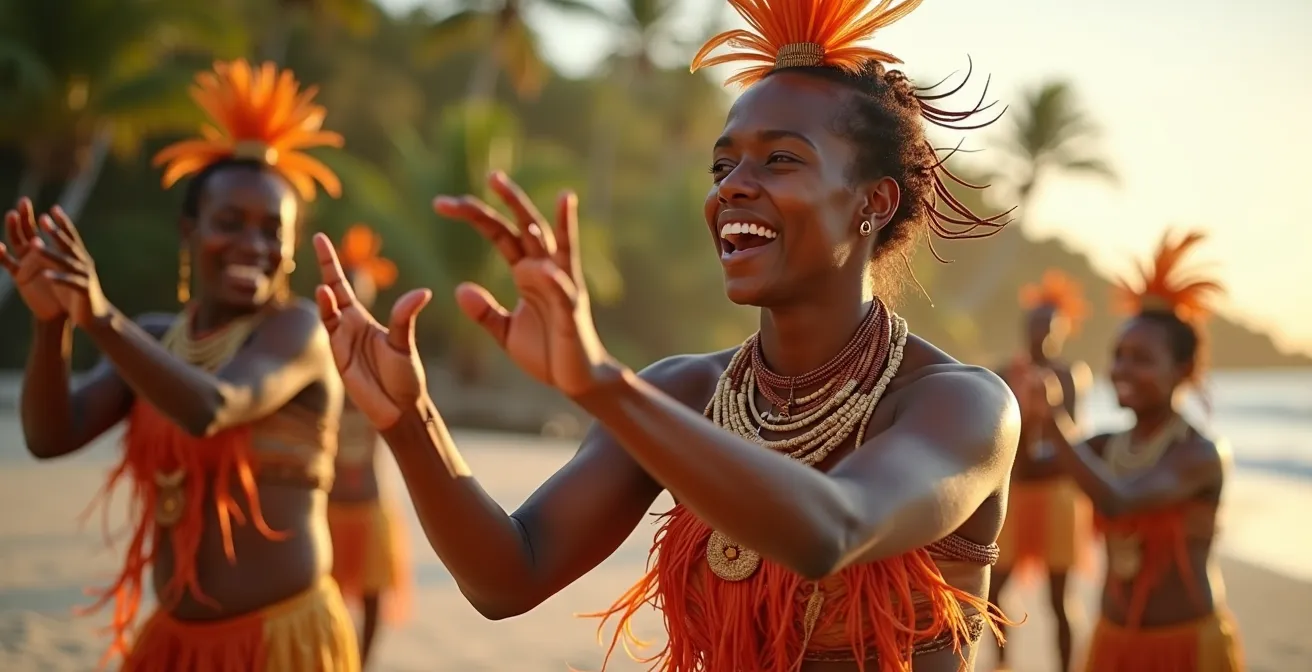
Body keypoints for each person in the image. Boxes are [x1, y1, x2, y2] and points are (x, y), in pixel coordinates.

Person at [312, 0, 1021, 669]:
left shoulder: (959, 407)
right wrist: (410, 422)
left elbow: (831, 530)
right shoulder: (685, 390)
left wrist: (601, 384)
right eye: (723, 165)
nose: (732, 187)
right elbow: (508, 577)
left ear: (872, 202)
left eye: (780, 159)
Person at [0, 59, 359, 671]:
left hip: (281, 643)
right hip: (171, 645)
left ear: (293, 247)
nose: (253, 245)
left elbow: (214, 407)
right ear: (189, 230)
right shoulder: (156, 339)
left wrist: (98, 316)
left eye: (274, 231)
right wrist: (52, 321)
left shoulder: (296, 330)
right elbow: (49, 435)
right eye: (229, 223)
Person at [1030, 231, 1243, 671]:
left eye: (1141, 358)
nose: (1122, 369)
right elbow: (1031, 470)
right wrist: (1014, 411)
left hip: (1185, 647)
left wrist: (1055, 423)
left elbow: (1119, 499)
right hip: (1112, 642)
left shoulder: (1201, 455)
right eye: (1119, 355)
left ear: (1182, 369)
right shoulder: (1105, 445)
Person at [990, 269, 1094, 671]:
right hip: (1015, 491)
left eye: (1049, 328)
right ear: (1024, 328)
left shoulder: (1069, 376)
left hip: (1057, 494)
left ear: (1062, 331)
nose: (1041, 335)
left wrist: (1047, 409)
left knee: (1059, 597)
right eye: (1035, 326)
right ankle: (1002, 662)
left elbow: (1070, 439)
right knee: (995, 586)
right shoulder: (1003, 373)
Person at [326, 224, 411, 666]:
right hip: (328, 497)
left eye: (358, 296)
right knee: (330, 593)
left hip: (371, 497)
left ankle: (363, 663)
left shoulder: (382, 358)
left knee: (374, 593)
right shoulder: (316, 353)